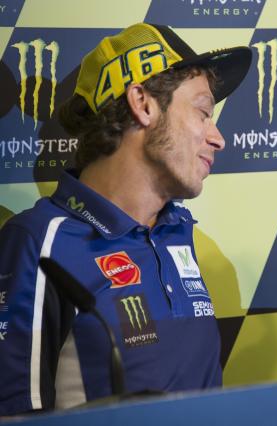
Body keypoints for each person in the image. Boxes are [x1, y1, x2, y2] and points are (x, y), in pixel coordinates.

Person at [0, 23, 251, 415]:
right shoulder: (38, 240)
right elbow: (15, 413)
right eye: (203, 112)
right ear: (143, 104)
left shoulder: (177, 231)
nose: (218, 138)